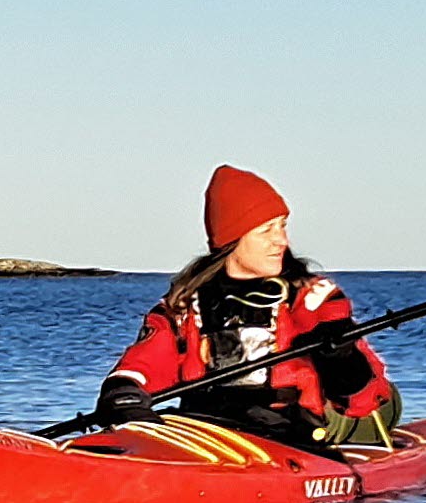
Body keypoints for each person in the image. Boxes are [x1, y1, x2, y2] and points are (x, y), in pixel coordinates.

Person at [95, 165, 403, 450]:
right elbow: (147, 359)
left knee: (377, 400)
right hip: (211, 429)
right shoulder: (185, 306)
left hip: (298, 431)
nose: (281, 241)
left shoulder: (310, 299)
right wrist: (123, 389)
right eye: (266, 231)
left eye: (282, 227)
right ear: (233, 239)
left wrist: (341, 356)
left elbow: (363, 398)